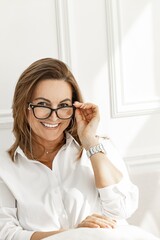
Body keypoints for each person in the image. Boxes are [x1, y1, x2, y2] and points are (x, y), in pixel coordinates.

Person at [0, 58, 138, 240]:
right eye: (42, 105)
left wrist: (90, 143)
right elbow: (7, 234)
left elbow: (122, 209)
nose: (54, 117)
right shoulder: (5, 167)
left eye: (64, 106)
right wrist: (73, 235)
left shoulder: (98, 148)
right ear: (24, 107)